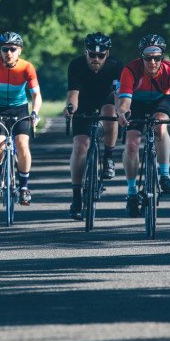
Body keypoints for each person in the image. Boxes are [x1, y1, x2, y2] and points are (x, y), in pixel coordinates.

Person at [116, 33, 170, 217]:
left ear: (162, 57)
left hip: (159, 101)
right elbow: (124, 100)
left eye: (157, 58)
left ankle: (164, 174)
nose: (153, 62)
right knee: (132, 144)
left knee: (160, 127)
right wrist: (122, 112)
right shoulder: (130, 70)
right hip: (137, 104)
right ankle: (132, 192)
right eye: (148, 57)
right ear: (142, 57)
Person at [63, 32, 123, 220]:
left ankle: (108, 158)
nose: (96, 59)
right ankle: (76, 198)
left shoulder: (116, 66)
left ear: (107, 54)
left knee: (110, 113)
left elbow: (118, 94)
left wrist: (122, 111)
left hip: (106, 99)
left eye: (101, 56)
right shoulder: (76, 65)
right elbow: (73, 94)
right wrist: (71, 109)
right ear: (85, 52)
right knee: (80, 146)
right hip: (84, 102)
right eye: (92, 55)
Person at [0, 31, 42, 205]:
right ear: (0, 51)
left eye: (12, 49)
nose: (8, 53)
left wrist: (35, 112)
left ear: (19, 50)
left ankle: (23, 187)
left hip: (20, 108)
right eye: (4, 49)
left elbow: (36, 94)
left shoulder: (27, 67)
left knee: (22, 144)